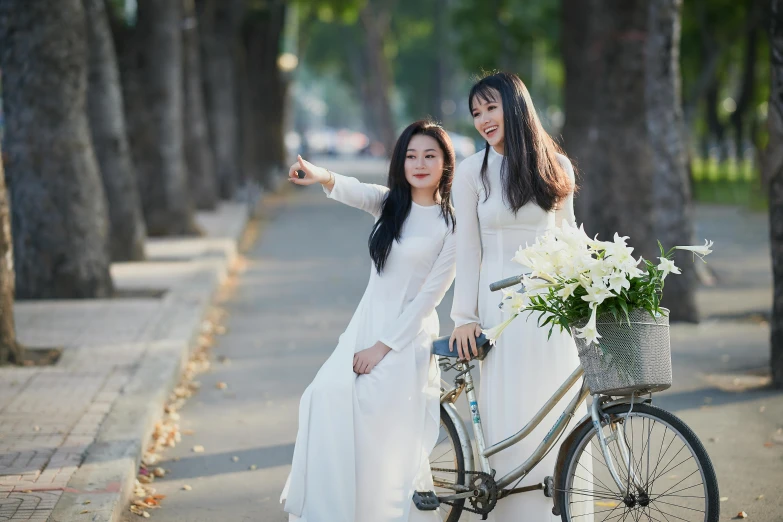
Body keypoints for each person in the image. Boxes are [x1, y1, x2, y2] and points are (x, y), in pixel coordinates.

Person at [281, 120, 457, 522]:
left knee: (375, 426)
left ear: (445, 163)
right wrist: (319, 174)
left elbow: (430, 298)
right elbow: (355, 190)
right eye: (411, 155)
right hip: (365, 323)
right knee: (322, 397)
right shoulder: (391, 204)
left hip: (404, 338)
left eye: (430, 155)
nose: (420, 163)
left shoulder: (452, 223)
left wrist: (383, 348)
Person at [449, 72, 584, 521]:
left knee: (557, 418)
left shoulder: (557, 167)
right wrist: (463, 316)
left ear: (516, 106)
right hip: (498, 313)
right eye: (476, 113)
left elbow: (570, 241)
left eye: (491, 108)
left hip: (551, 311)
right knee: (509, 419)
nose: (483, 120)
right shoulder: (471, 172)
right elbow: (467, 250)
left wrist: (594, 298)